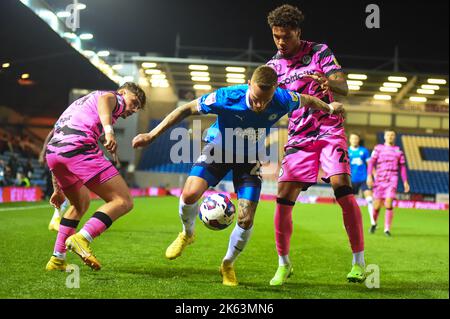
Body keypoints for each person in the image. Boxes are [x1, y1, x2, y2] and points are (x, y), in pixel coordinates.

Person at [132, 65, 344, 286]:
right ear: (249, 85)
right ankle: (187, 233)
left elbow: (308, 100)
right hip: (218, 150)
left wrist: (328, 108)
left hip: (250, 160)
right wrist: (152, 135)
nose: (260, 105)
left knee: (246, 218)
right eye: (255, 98)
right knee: (190, 194)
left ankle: (227, 264)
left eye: (266, 100)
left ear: (275, 91)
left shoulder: (283, 98)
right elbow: (186, 109)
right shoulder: (227, 96)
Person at [266, 4, 366, 285]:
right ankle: (283, 264)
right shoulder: (272, 66)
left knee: (342, 189)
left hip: (329, 130)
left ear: (298, 31)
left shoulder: (320, 51)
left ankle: (358, 262)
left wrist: (330, 85)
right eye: (276, 36)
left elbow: (344, 87)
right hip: (298, 137)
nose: (281, 42)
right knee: (283, 199)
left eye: (286, 36)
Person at [45, 82, 146, 271]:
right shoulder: (110, 97)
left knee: (80, 204)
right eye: (135, 102)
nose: (134, 108)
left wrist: (57, 189)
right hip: (79, 149)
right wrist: (109, 132)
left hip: (54, 154)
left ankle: (57, 259)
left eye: (138, 107)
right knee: (123, 200)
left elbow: (58, 136)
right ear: (123, 92)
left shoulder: (80, 105)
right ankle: (82, 238)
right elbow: (106, 99)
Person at [367, 130, 410, 236]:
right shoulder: (378, 148)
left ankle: (387, 229)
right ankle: (374, 224)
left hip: (392, 178)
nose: (390, 137)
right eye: (388, 135)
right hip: (379, 179)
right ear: (384, 137)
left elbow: (403, 167)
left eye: (392, 135)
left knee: (388, 203)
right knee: (376, 205)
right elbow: (371, 162)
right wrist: (369, 176)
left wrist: (405, 182)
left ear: (394, 137)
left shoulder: (398, 151)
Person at [39, 128, 70, 231]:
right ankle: (56, 218)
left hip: (63, 155)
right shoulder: (68, 121)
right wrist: (43, 153)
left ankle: (55, 218)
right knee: (69, 190)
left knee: (69, 191)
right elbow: (50, 134)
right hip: (62, 156)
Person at [348, 133, 375, 228]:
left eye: (356, 138)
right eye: (353, 138)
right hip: (352, 180)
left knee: (370, 200)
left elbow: (370, 165)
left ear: (358, 140)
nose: (354, 140)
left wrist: (371, 175)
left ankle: (373, 222)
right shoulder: (346, 152)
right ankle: (349, 222)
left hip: (364, 178)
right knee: (350, 203)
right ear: (350, 140)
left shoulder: (364, 151)